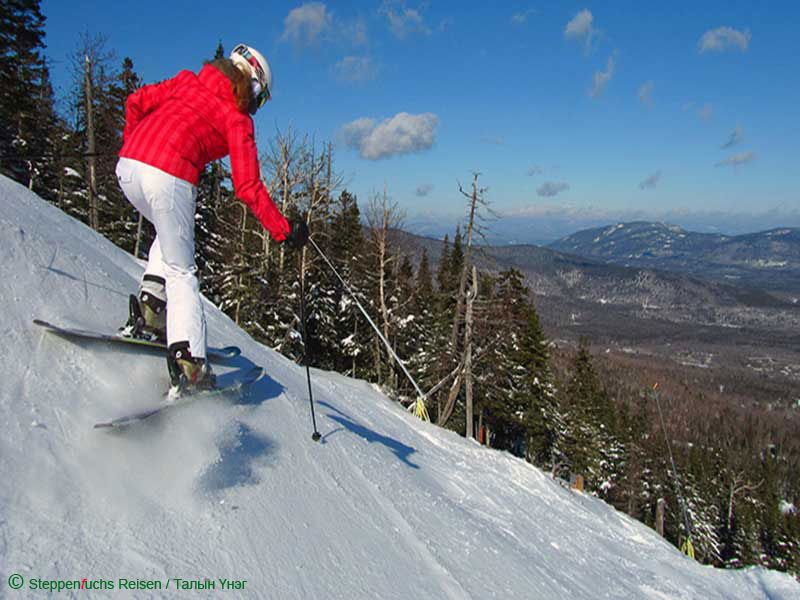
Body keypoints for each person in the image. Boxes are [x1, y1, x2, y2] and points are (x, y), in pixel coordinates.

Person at [116, 43, 308, 396]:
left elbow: (135, 102)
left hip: (128, 168)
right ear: (252, 84)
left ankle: (152, 307)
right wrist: (283, 231)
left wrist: (134, 146)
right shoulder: (237, 117)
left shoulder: (186, 81)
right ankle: (190, 362)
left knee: (170, 234)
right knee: (182, 272)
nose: (257, 105)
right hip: (168, 175)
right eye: (261, 97)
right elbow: (247, 186)